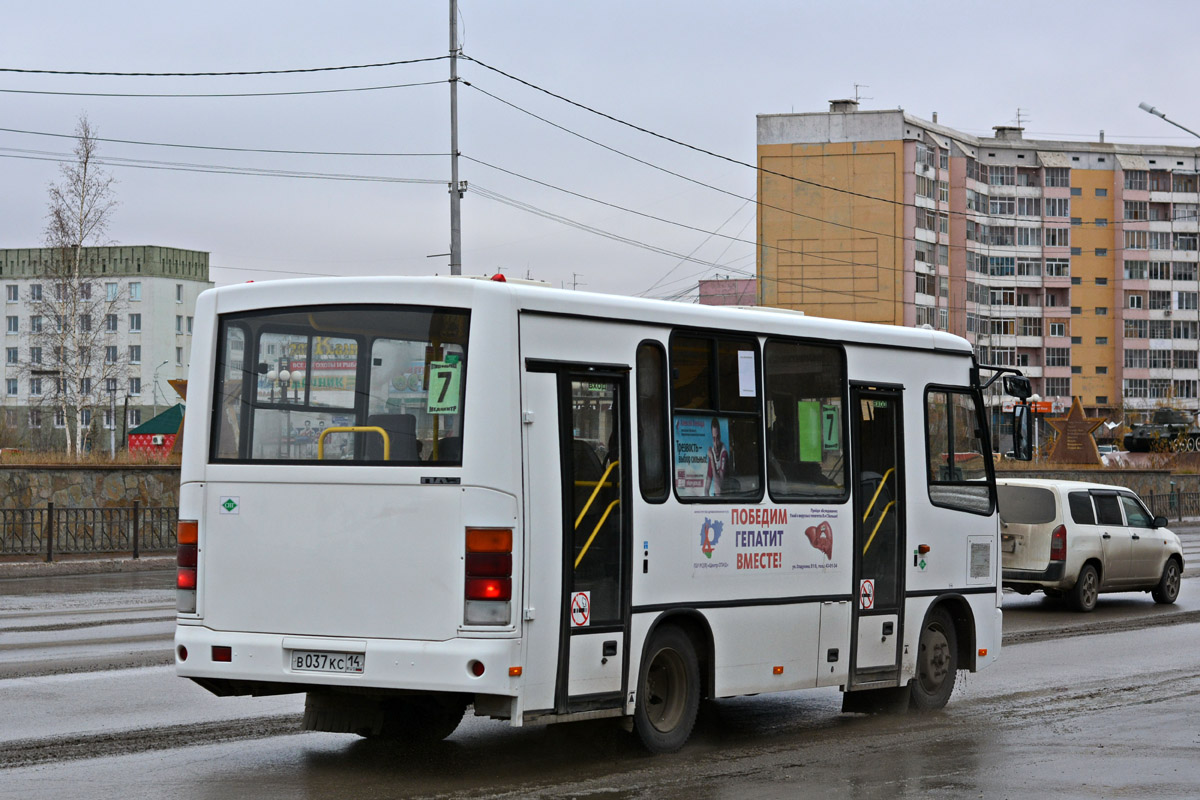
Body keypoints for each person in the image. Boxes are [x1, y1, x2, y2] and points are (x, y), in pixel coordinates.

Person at [704, 418, 729, 496]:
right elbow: (706, 489)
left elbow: (718, 486)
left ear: (720, 436)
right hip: (717, 497)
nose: (715, 444)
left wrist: (712, 459)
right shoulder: (712, 452)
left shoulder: (723, 453)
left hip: (726, 496)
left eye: (717, 438)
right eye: (714, 438)